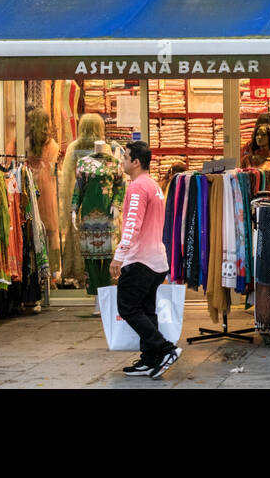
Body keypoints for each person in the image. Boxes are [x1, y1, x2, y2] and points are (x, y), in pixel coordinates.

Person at [112, 140, 180, 379]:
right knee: (146, 310)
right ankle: (149, 359)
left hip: (140, 260)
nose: (122, 161)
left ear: (136, 162)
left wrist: (119, 257)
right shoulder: (153, 186)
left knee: (128, 307)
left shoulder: (138, 187)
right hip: (156, 260)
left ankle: (164, 349)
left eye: (125, 157)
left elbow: (132, 225)